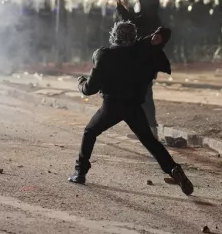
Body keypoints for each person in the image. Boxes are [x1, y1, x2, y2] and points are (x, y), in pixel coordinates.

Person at [68, 21, 194, 196]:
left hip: (111, 106)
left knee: (90, 132)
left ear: (114, 35)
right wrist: (159, 36)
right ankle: (173, 169)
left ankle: (80, 173)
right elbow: (164, 34)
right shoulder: (142, 51)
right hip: (134, 106)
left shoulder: (104, 55)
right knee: (150, 141)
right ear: (134, 36)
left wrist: (80, 82)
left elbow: (90, 89)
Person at [116, 0, 162, 137]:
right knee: (140, 98)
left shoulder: (148, 21)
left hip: (142, 65)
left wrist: (120, 8)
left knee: (144, 98)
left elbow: (131, 23)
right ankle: (145, 130)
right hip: (146, 64)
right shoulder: (154, 19)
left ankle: (151, 131)